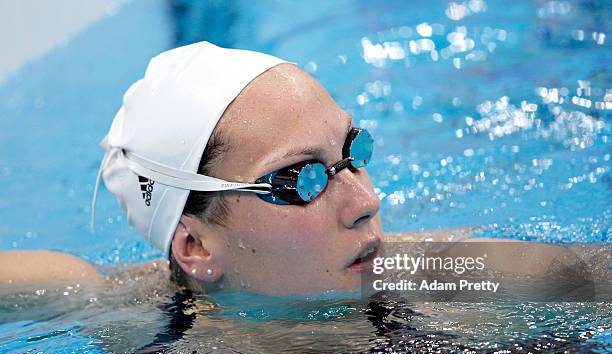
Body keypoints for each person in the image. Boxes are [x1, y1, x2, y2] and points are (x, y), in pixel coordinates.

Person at [0, 42, 594, 298]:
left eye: (352, 151)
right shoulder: (134, 321)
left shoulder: (441, 280)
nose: (366, 200)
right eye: (302, 178)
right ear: (194, 246)